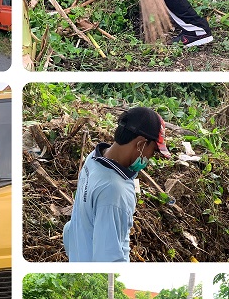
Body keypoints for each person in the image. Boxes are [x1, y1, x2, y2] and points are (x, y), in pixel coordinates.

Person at [62, 107, 170, 262]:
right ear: (140, 144)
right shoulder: (115, 191)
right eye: (152, 151)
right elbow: (108, 260)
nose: (149, 159)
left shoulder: (93, 158)